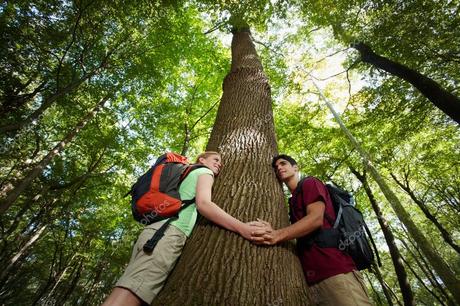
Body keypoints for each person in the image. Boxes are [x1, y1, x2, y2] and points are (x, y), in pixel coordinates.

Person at [102, 151, 266, 306]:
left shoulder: (185, 175)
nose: (220, 164)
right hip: (167, 234)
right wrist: (242, 227)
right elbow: (204, 204)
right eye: (216, 159)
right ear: (202, 160)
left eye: (221, 162)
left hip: (155, 233)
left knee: (123, 291)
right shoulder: (204, 172)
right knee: (131, 294)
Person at [252, 154, 372, 306]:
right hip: (311, 281)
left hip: (336, 272)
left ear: (296, 167)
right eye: (276, 168)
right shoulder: (292, 200)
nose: (279, 168)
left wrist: (277, 234)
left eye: (283, 164)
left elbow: (315, 219)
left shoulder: (310, 183)